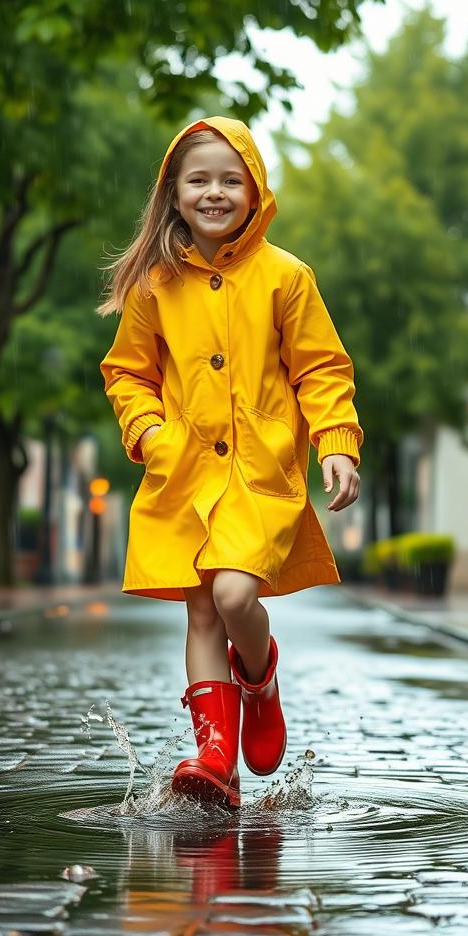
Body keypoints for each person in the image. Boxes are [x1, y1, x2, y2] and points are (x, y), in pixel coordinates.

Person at [97, 117, 363, 809]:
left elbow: (322, 369)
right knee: (202, 615)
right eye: (199, 180)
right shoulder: (157, 285)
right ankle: (216, 756)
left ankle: (261, 678)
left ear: (253, 189)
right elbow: (127, 372)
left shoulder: (286, 277)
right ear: (174, 194)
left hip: (260, 471)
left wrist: (335, 443)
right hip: (183, 474)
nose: (215, 192)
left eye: (229, 179)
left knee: (235, 597)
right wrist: (149, 432)